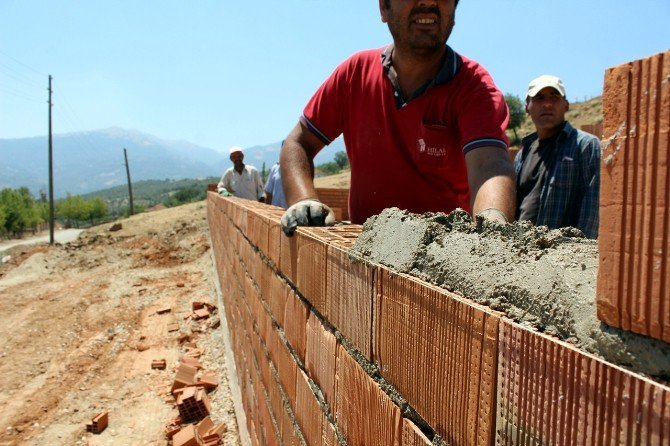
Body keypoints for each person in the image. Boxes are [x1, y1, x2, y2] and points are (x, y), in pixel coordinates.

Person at [279, 0, 515, 235]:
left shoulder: (475, 88)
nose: (428, 2)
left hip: (439, 260)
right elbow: (298, 143)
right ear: (384, 8)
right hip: (362, 254)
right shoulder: (355, 74)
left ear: (454, 11)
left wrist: (491, 230)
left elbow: (489, 166)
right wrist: (304, 201)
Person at [515, 75, 601, 238]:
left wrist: (579, 256)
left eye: (554, 97)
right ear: (527, 107)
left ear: (566, 105)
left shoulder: (585, 146)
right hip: (521, 254)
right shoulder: (522, 154)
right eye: (539, 98)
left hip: (561, 258)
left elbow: (592, 209)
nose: (547, 104)